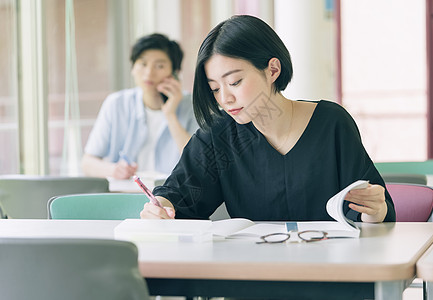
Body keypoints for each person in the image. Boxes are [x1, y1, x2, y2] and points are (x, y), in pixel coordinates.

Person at [140, 15, 395, 223]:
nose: (225, 98)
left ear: (272, 70)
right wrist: (161, 208)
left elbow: (370, 209)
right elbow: (181, 195)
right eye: (215, 89)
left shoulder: (331, 123)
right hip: (253, 275)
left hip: (330, 274)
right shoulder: (219, 135)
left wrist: (375, 210)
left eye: (234, 82)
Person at [81, 33, 199, 179]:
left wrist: (170, 116)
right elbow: (87, 163)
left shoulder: (193, 106)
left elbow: (198, 163)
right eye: (143, 64)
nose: (149, 73)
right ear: (133, 68)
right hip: (124, 194)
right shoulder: (116, 104)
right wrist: (114, 170)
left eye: (160, 66)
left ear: (174, 73)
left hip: (173, 198)